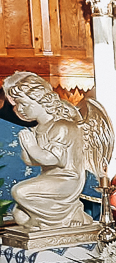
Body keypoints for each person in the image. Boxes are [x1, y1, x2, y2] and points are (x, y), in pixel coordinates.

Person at [2, 72, 93, 230]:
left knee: (19, 192)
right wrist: (26, 147)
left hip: (66, 179)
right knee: (19, 215)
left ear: (40, 100)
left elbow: (52, 159)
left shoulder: (62, 127)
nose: (19, 109)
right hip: (48, 178)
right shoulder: (38, 129)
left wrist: (31, 146)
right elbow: (31, 162)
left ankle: (72, 213)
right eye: (17, 104)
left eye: (23, 104)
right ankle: (51, 222)